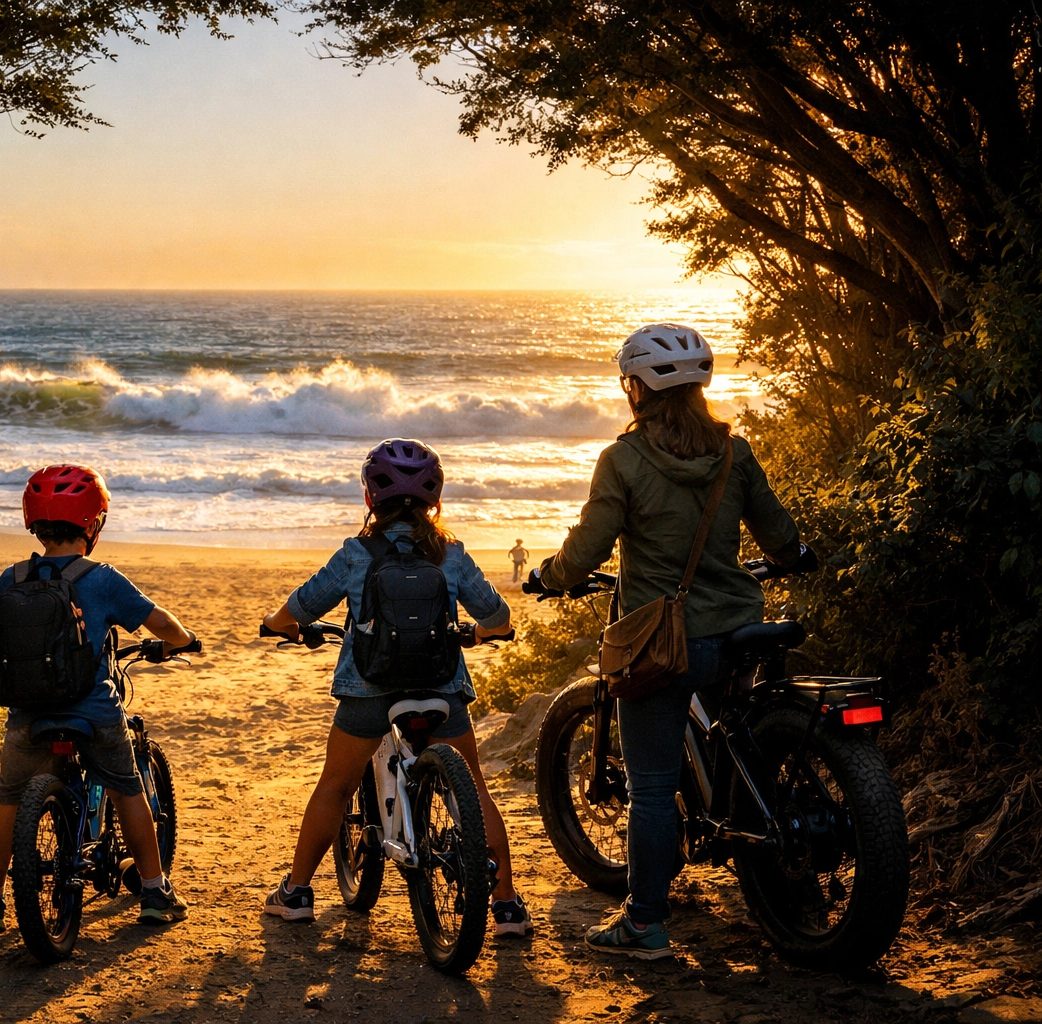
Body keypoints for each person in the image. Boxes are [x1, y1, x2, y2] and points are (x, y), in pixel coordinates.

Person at [526, 323, 809, 960]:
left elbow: (588, 548)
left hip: (665, 643)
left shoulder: (623, 460)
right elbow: (780, 535)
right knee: (742, 739)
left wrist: (551, 575)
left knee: (651, 789)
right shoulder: (734, 453)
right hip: (739, 628)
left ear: (636, 388)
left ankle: (645, 924)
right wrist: (796, 555)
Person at [260, 438, 531, 938]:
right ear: (435, 501)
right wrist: (481, 634)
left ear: (370, 498)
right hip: (441, 686)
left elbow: (298, 609)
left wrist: (282, 627)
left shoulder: (356, 554)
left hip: (369, 689)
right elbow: (498, 616)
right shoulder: (450, 554)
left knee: (336, 786)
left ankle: (296, 893)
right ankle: (507, 905)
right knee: (472, 787)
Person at [0, 464, 193, 931]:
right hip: (94, 714)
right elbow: (162, 625)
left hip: (28, 716)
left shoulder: (14, 576)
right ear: (92, 524)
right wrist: (183, 639)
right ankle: (153, 890)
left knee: (8, 797)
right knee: (127, 787)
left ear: (35, 522)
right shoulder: (102, 578)